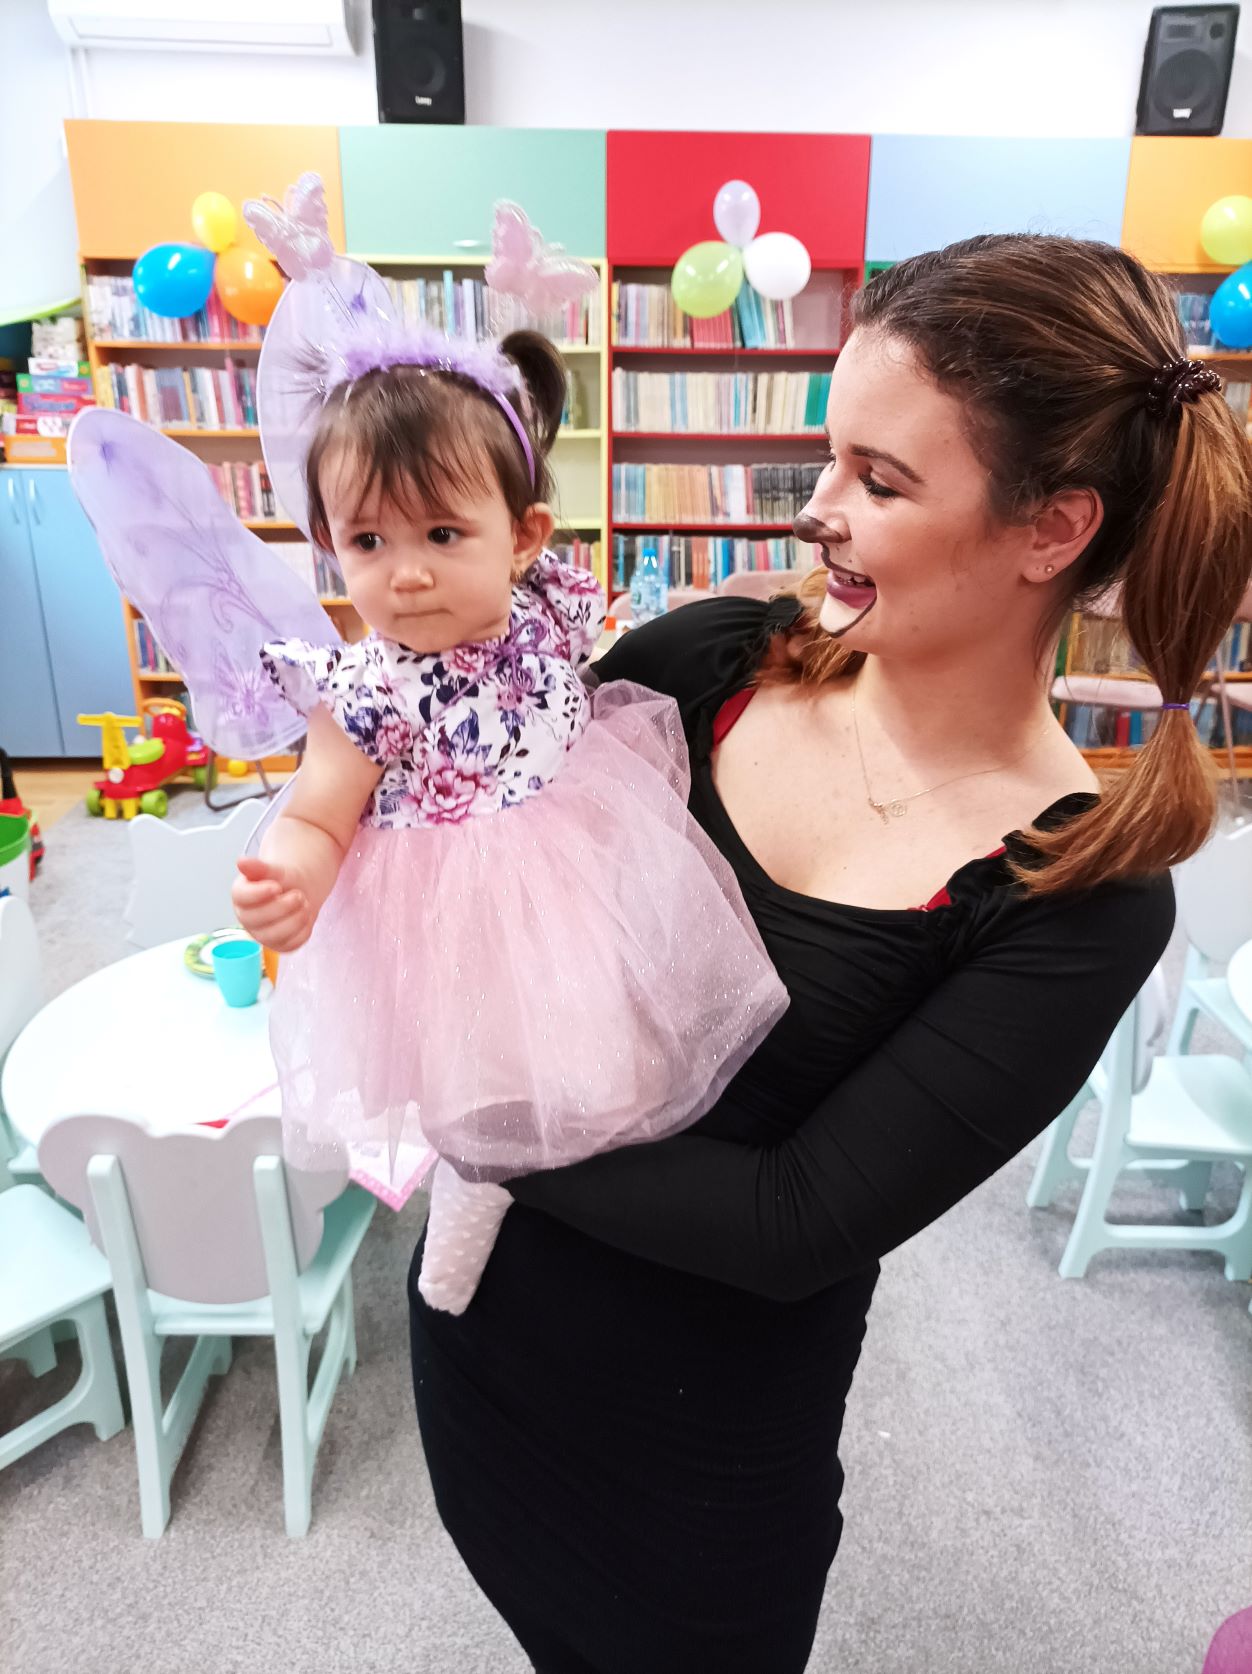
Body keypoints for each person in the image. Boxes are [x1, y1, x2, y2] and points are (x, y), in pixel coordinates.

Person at [408, 234, 1252, 1673]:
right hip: (481, 1337)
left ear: (1052, 529)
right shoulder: (706, 664)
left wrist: (476, 1110)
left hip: (691, 1469)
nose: (818, 511)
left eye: (881, 479)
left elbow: (790, 1222)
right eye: (828, 456)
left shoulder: (1078, 897)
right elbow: (489, 860)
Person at [230, 322, 786, 1310]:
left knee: (606, 1052)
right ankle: (475, 1189)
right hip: (451, 919)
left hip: (574, 864)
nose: (405, 573)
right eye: (368, 541)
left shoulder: (543, 612)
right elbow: (317, 815)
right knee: (480, 1094)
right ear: (328, 545)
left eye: (442, 535)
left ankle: (588, 1191)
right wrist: (291, 881)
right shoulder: (365, 690)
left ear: (523, 538)